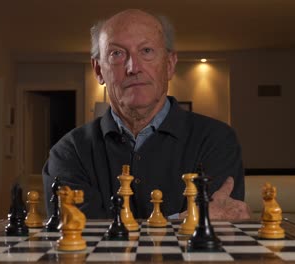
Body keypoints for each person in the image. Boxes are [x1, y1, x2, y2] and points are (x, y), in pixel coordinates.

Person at [42, 9, 251, 220]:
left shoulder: (216, 140)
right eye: (117, 54)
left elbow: (214, 238)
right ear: (98, 70)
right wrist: (184, 221)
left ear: (169, 65)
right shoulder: (69, 153)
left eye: (147, 51)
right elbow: (80, 241)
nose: (133, 67)